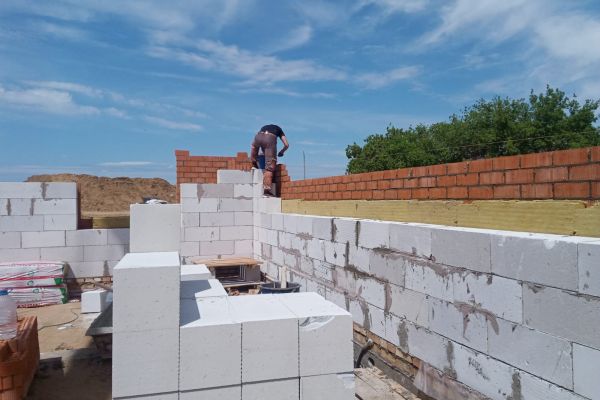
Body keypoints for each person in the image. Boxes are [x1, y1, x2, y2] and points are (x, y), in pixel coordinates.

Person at [250, 124, 289, 196]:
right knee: (269, 167)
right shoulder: (279, 130)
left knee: (254, 148)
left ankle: (254, 164)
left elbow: (260, 146)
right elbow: (286, 145)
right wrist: (281, 152)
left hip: (258, 136)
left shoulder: (263, 127)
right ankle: (266, 190)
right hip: (269, 138)